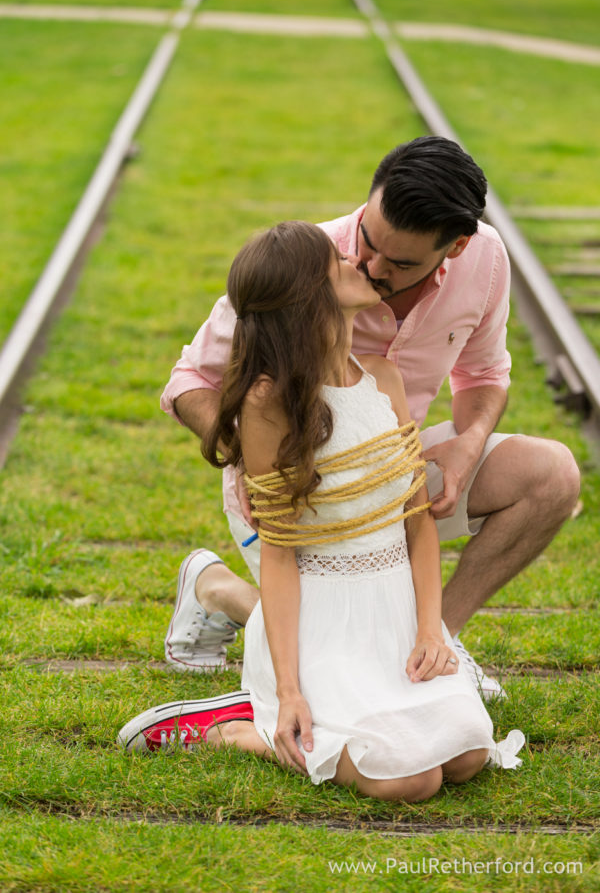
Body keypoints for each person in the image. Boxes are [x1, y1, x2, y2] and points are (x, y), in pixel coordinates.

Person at [119, 221, 525, 801]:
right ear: (310, 297)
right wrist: (290, 691)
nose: (357, 263)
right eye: (336, 264)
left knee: (467, 755)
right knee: (406, 783)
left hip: (392, 610)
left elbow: (417, 521)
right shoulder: (269, 405)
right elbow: (281, 556)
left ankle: (248, 641)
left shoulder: (383, 378)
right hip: (323, 621)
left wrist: (429, 627)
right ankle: (237, 732)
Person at [160, 136, 580, 697]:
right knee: (321, 657)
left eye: (400, 262)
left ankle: (436, 645)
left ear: (454, 247)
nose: (372, 266)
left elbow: (482, 376)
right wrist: (263, 462)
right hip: (295, 497)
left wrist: (469, 442)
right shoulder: (305, 263)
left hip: (390, 474)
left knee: (553, 473)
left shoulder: (486, 260)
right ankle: (215, 588)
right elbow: (189, 382)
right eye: (367, 241)